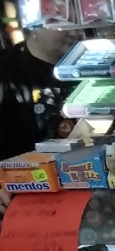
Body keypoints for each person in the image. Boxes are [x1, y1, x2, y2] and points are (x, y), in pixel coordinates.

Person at [0, 27, 80, 162]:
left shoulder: (92, 61)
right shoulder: (6, 70)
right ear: (34, 27)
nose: (75, 33)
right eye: (63, 26)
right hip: (27, 171)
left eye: (77, 25)